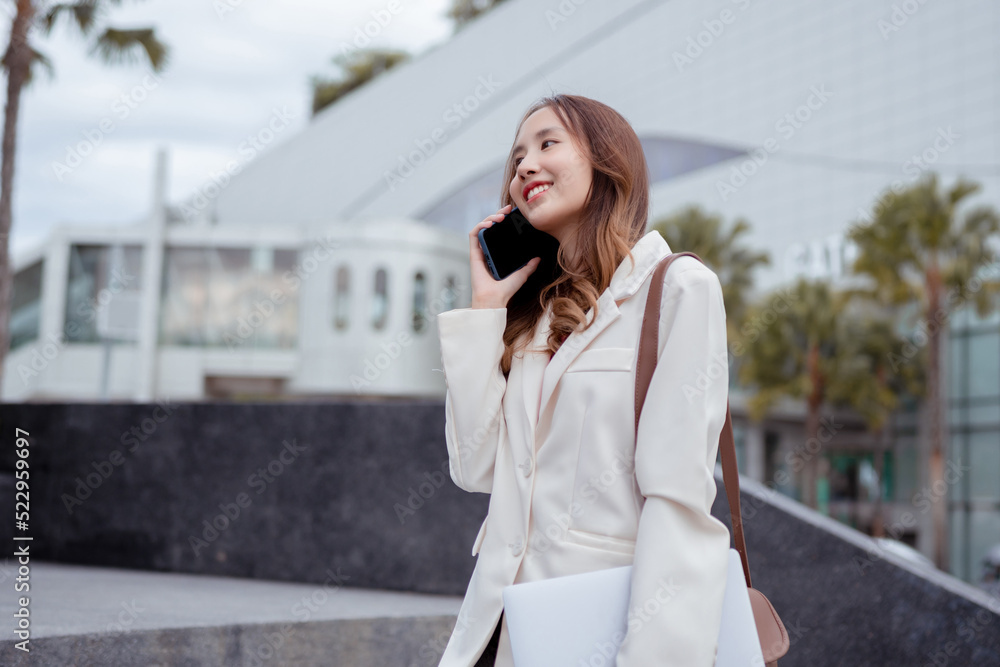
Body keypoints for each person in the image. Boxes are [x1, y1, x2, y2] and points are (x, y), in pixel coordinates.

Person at [436, 94, 731, 666]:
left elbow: (677, 504)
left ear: (608, 163)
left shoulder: (677, 290)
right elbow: (476, 469)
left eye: (548, 144)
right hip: (497, 634)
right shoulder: (536, 317)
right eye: (517, 155)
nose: (524, 166)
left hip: (601, 638)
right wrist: (485, 308)